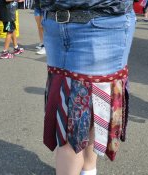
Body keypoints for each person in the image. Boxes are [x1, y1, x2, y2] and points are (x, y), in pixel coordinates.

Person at [41, 0, 136, 175]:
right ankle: (89, 170)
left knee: (87, 114)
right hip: (54, 21)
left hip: (104, 21)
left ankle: (89, 170)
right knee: (73, 116)